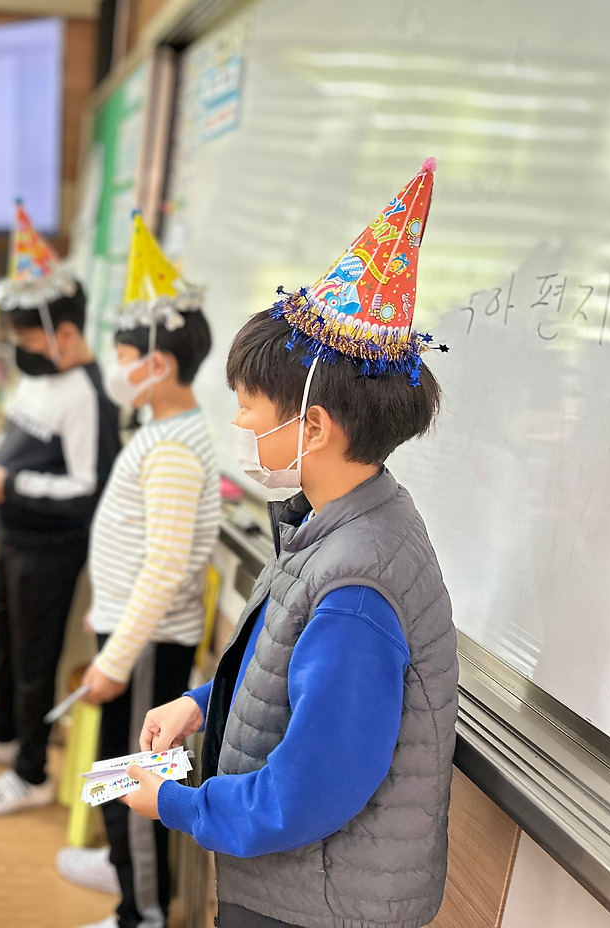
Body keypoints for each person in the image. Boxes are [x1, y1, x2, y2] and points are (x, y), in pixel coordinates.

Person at [124, 159, 457, 928]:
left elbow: (306, 792)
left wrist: (175, 803)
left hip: (316, 905)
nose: (239, 423)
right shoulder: (339, 520)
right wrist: (200, 705)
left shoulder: (356, 588)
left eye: (249, 405)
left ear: (313, 426)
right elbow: (289, 677)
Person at [57, 214, 221, 928]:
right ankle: (123, 862)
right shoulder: (161, 430)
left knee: (143, 771)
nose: (116, 367)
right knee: (122, 764)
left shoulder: (176, 448)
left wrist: (116, 659)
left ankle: (143, 910)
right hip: (132, 634)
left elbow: (165, 568)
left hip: (147, 642)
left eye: (125, 354)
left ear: (159, 363)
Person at [0, 203, 120, 816]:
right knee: (2, 636)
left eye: (28, 336)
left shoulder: (89, 396)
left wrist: (11, 485)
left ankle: (31, 770)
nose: (21, 347)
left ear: (65, 333)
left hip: (50, 549)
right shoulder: (37, 375)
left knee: (35, 658)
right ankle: (2, 732)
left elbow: (87, 488)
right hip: (12, 537)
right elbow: (13, 434)